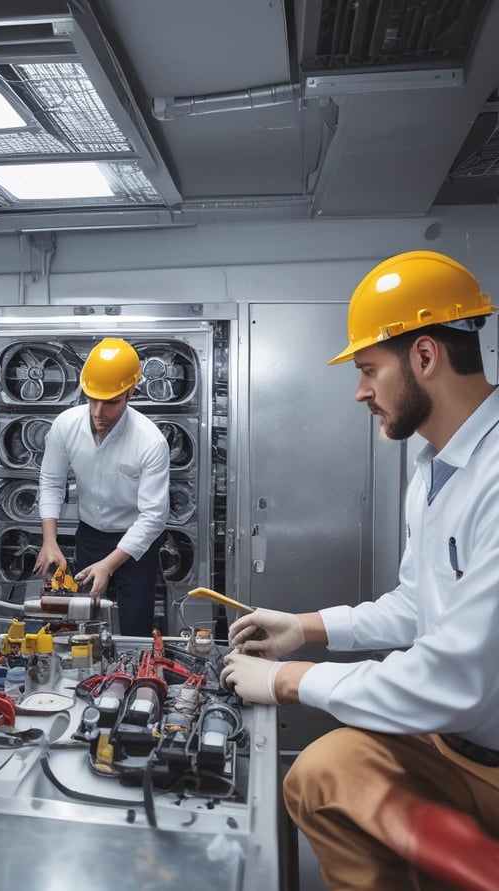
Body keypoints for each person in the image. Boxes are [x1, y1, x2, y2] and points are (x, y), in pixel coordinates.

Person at [220, 251, 499, 889]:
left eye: (369, 370)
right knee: (317, 777)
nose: (360, 392)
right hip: (450, 744)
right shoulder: (432, 466)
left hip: (476, 743)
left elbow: (454, 679)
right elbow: (413, 604)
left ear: (425, 357)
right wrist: (305, 626)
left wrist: (288, 680)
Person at [35, 337, 170, 636]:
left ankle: (135, 677)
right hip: (90, 538)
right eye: (92, 398)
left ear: (131, 392)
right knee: (85, 627)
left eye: (111, 402)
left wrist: (109, 565)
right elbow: (52, 482)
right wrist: (49, 541)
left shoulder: (150, 442)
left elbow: (153, 518)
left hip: (136, 546)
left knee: (136, 631)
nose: (98, 412)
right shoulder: (65, 426)